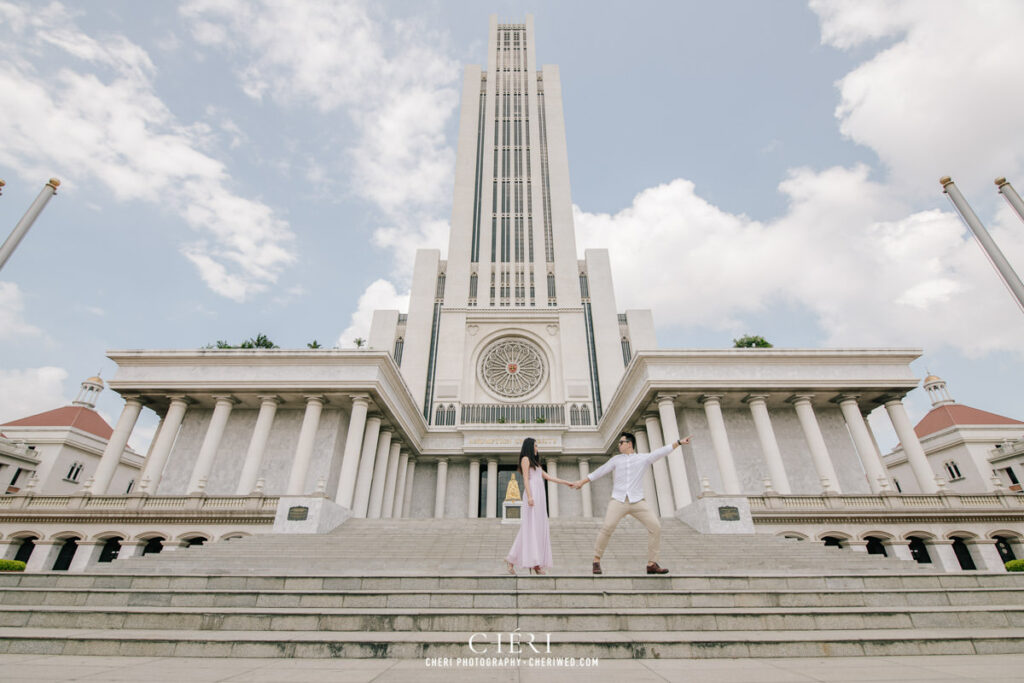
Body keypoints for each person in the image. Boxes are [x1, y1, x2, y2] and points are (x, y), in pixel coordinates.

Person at [571, 432, 690, 575]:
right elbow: (600, 471)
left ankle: (652, 564)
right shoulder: (616, 460)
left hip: (637, 501)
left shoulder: (643, 458)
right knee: (607, 527)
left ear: (629, 444)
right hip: (618, 500)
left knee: (655, 526)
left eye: (621, 442)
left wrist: (679, 442)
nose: (619, 445)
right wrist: (582, 482)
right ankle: (596, 561)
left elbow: (660, 452)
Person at [505, 437, 573, 575]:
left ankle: (531, 562)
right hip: (532, 496)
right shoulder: (525, 460)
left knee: (537, 529)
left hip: (540, 497)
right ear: (530, 447)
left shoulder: (536, 464)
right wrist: (530, 497)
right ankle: (528, 563)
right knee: (530, 528)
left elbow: (549, 477)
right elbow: (525, 478)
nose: (537, 448)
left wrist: (567, 483)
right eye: (535, 446)